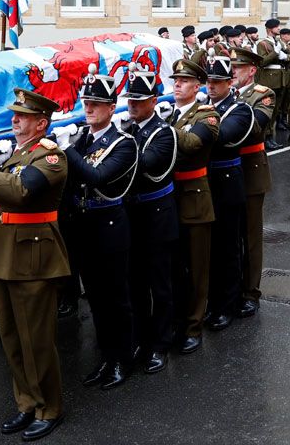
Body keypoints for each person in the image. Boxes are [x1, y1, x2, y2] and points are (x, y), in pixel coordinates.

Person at [0, 88, 69, 440]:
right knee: (10, 336)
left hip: (33, 257)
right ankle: (26, 402)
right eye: (15, 114)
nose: (14, 119)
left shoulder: (51, 157)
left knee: (36, 338)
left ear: (41, 123)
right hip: (2, 254)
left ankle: (48, 407)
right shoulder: (16, 154)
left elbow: (21, 191)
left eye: (22, 116)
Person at [62, 68, 139, 390]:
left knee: (115, 298)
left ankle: (122, 359)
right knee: (94, 296)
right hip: (83, 227)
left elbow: (96, 177)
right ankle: (107, 357)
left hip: (109, 227)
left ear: (111, 108)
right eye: (86, 102)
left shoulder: (124, 142)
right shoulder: (82, 137)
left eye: (96, 103)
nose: (89, 108)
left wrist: (65, 149)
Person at [123, 65, 178, 374]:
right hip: (134, 215)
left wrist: (113, 145)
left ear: (154, 101)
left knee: (160, 286)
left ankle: (160, 344)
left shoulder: (164, 133)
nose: (132, 105)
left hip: (157, 216)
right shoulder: (129, 130)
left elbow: (143, 163)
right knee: (136, 283)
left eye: (139, 100)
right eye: (130, 100)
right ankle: (141, 338)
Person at [167, 59, 220, 354]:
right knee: (176, 266)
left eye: (184, 81)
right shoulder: (172, 114)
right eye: (175, 80)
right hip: (171, 196)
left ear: (197, 86)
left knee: (197, 268)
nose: (177, 84)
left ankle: (193, 326)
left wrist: (161, 126)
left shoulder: (207, 115)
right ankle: (176, 319)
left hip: (195, 197)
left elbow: (190, 144)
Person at [201, 51, 252, 331]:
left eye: (217, 81)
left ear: (229, 82)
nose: (211, 86)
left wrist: (193, 123)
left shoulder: (239, 109)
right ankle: (213, 301)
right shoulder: (204, 107)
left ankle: (228, 305)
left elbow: (221, 136)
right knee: (209, 249)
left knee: (228, 248)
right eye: (208, 80)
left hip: (226, 183)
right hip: (205, 184)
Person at [230, 47, 275, 318]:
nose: (233, 72)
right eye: (232, 67)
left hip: (249, 172)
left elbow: (255, 127)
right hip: (224, 173)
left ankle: (250, 292)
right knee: (229, 235)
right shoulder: (225, 94)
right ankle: (231, 287)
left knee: (250, 236)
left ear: (252, 70)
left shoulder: (263, 95)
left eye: (238, 67)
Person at [256, 18, 288, 151]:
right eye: (277, 27)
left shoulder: (279, 42)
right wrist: (275, 52)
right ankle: (266, 137)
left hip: (280, 79)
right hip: (269, 80)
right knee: (267, 111)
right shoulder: (262, 44)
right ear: (270, 29)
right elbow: (262, 62)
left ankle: (270, 136)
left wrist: (285, 56)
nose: (279, 29)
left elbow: (288, 56)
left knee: (275, 111)